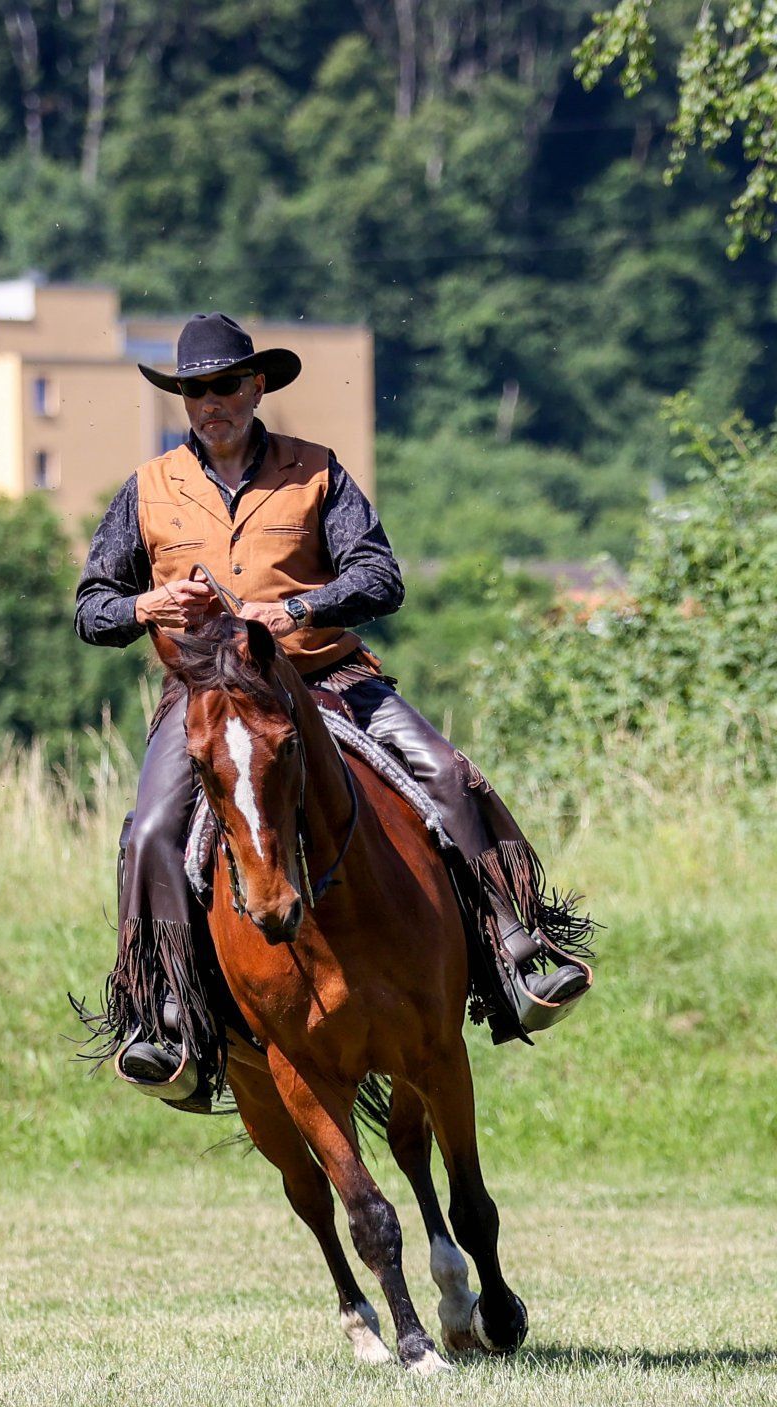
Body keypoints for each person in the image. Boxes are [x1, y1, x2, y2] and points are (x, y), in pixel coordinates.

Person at [74, 312, 593, 1111]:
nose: (211, 402)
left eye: (225, 385)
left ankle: (514, 950)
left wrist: (298, 608)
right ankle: (166, 1015)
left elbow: (380, 576)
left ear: (256, 387)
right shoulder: (147, 489)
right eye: (195, 391)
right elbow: (91, 609)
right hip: (209, 699)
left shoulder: (318, 471)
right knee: (147, 834)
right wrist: (148, 604)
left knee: (449, 773)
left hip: (327, 676)